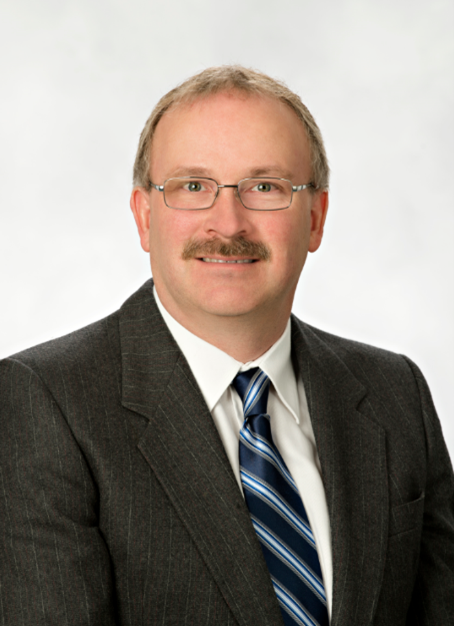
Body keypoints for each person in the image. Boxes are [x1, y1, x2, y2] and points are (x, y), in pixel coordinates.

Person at [1, 66, 453, 626]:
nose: (229, 223)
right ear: (144, 217)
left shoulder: (395, 393)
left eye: (266, 187)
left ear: (316, 218)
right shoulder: (44, 403)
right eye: (193, 186)